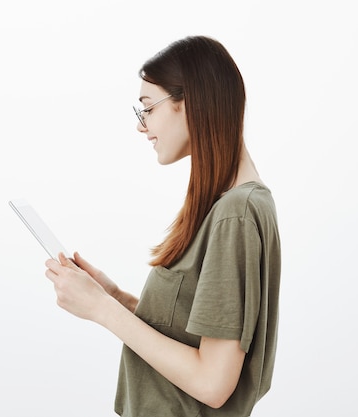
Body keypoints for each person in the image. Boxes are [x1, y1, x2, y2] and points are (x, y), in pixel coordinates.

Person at [44, 35, 281, 417]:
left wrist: (102, 309)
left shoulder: (236, 213)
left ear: (190, 103)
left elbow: (213, 384)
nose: (143, 127)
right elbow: (195, 338)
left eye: (147, 109)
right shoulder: (231, 205)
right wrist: (116, 296)